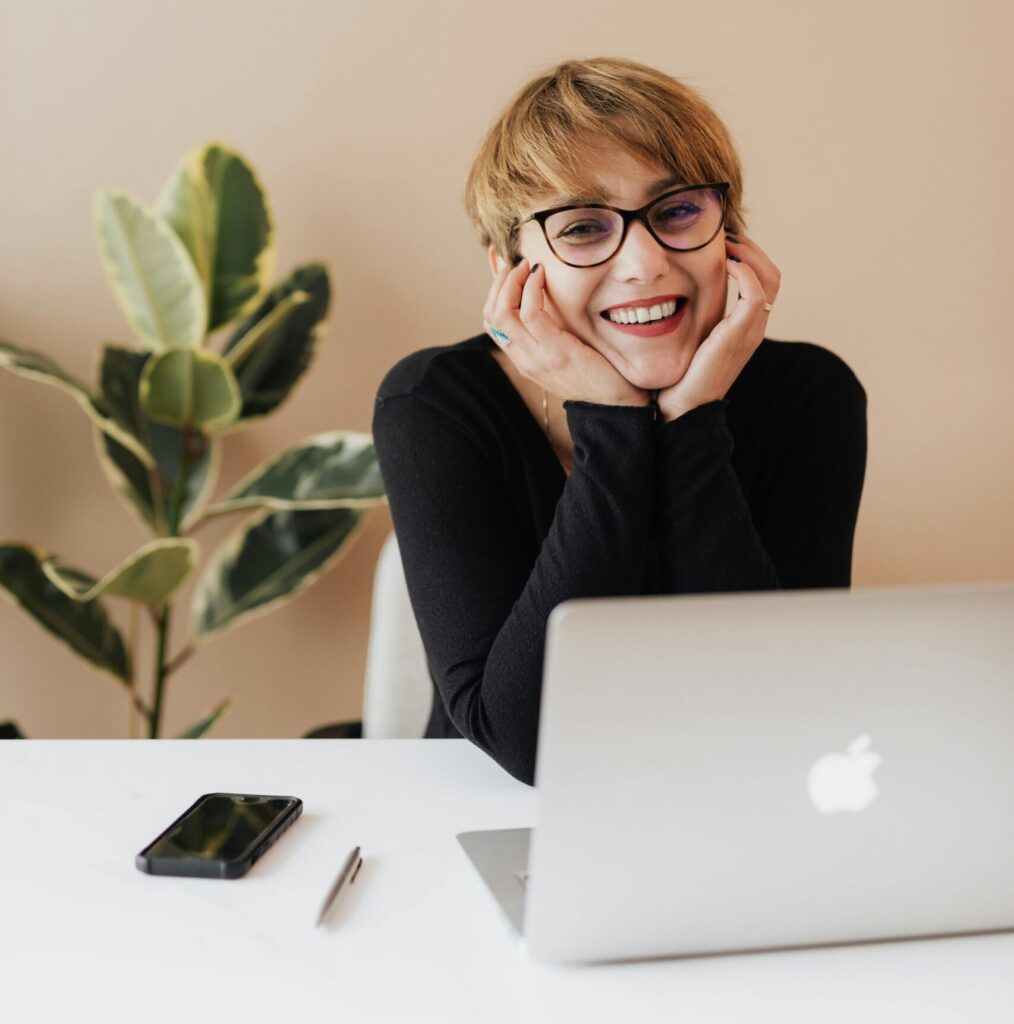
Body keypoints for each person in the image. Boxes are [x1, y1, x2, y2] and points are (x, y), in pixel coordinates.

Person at [372, 57, 867, 786]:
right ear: (512, 269)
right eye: (581, 227)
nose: (643, 263)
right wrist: (612, 422)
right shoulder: (435, 404)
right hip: (492, 817)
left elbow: (784, 707)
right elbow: (525, 743)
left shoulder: (810, 394)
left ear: (729, 234)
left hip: (732, 801)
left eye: (676, 212)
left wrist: (691, 420)